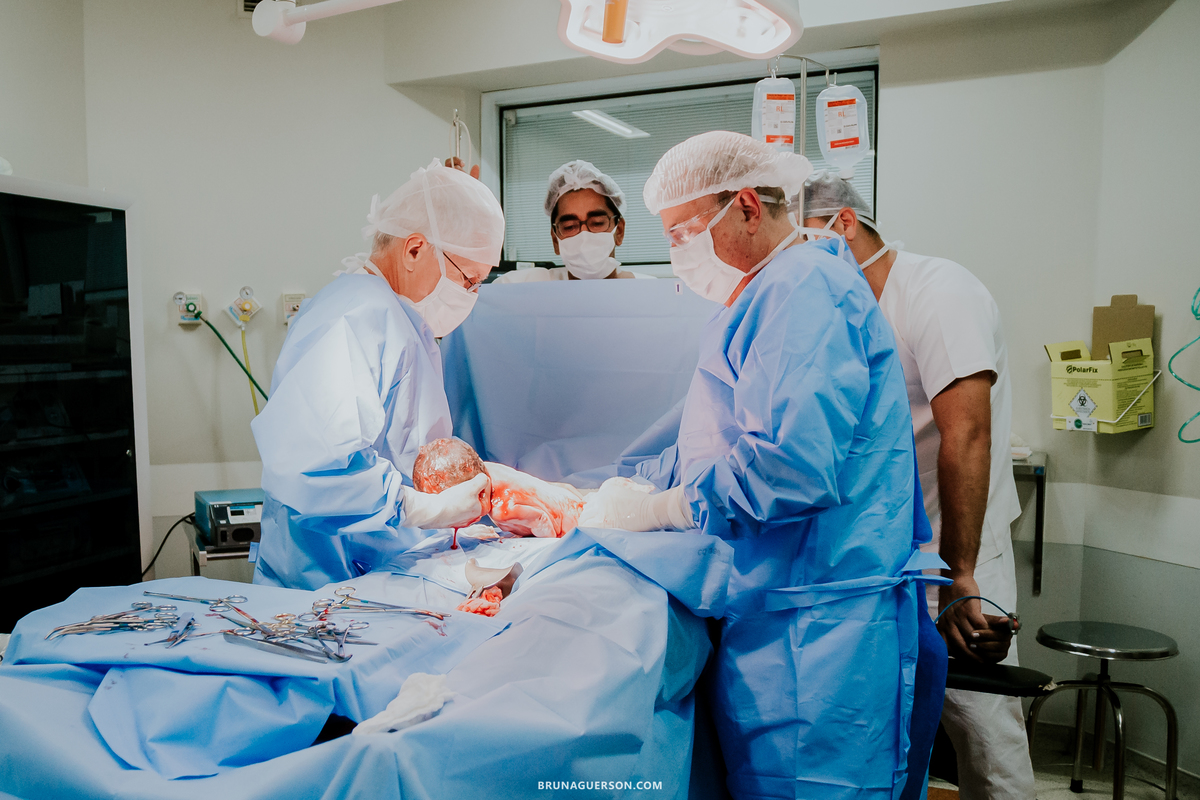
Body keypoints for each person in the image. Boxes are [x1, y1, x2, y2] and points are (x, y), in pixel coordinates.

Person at [579, 131, 934, 800]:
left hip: (821, 634)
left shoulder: (804, 288)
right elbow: (715, 437)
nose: (679, 250)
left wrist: (661, 508)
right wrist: (635, 483)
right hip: (783, 617)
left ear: (745, 204)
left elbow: (789, 468)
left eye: (684, 230)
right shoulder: (768, 292)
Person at [802, 172, 1034, 800]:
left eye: (803, 247)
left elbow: (968, 436)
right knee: (894, 721)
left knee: (983, 729)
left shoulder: (938, 291)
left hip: (959, 547)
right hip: (888, 550)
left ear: (843, 224)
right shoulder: (842, 313)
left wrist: (960, 575)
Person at [251, 160, 505, 591]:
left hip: (372, 577)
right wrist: (425, 510)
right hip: (323, 593)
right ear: (414, 249)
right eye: (469, 279)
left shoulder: (400, 320)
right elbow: (312, 468)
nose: (471, 295)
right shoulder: (355, 317)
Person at [494, 160, 652, 282]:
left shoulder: (650, 293)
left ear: (619, 231)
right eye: (569, 227)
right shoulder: (520, 288)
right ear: (555, 239)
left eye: (597, 223)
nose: (584, 236)